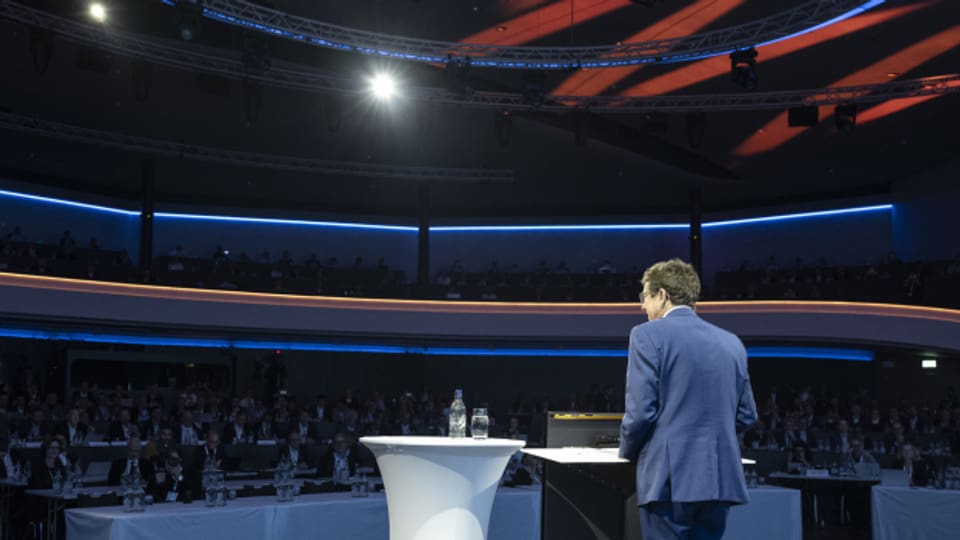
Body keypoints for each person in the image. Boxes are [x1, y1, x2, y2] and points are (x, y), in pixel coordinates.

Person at [618, 259, 757, 540]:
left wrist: (628, 452)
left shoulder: (646, 335)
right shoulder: (732, 343)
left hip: (669, 478)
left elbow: (641, 413)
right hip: (719, 478)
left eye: (644, 297)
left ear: (663, 296)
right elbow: (746, 415)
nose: (642, 306)